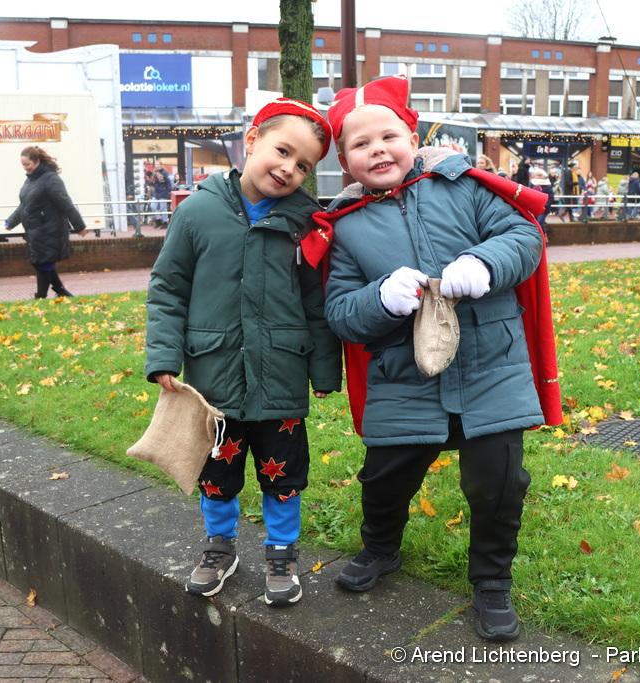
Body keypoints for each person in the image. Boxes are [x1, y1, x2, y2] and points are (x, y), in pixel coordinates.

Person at [312, 75, 559, 642]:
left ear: (412, 136)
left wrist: (484, 263)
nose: (378, 150)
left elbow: (522, 237)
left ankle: (491, 581)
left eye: (388, 137)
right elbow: (341, 313)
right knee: (384, 479)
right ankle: (381, 548)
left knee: (498, 483)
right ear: (345, 162)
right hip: (403, 377)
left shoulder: (464, 187)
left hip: (491, 366)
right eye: (360, 144)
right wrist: (379, 299)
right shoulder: (346, 228)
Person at [144, 98, 342, 607]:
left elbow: (316, 302)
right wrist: (163, 355)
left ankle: (282, 551)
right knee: (217, 473)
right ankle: (220, 546)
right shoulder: (197, 212)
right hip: (215, 378)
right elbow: (168, 287)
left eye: (304, 165)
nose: (289, 169)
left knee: (284, 473)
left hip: (281, 377)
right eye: (283, 151)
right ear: (252, 140)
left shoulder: (307, 223)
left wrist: (324, 369)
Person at [5, 146, 88, 299]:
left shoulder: (51, 179)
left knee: (42, 262)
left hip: (49, 229)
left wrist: (80, 226)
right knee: (41, 262)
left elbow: (66, 203)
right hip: (36, 230)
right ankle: (60, 290)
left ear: (37, 161)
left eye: (27, 164)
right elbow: (25, 205)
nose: (25, 168)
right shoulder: (30, 180)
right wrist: (11, 221)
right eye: (23, 165)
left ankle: (41, 296)